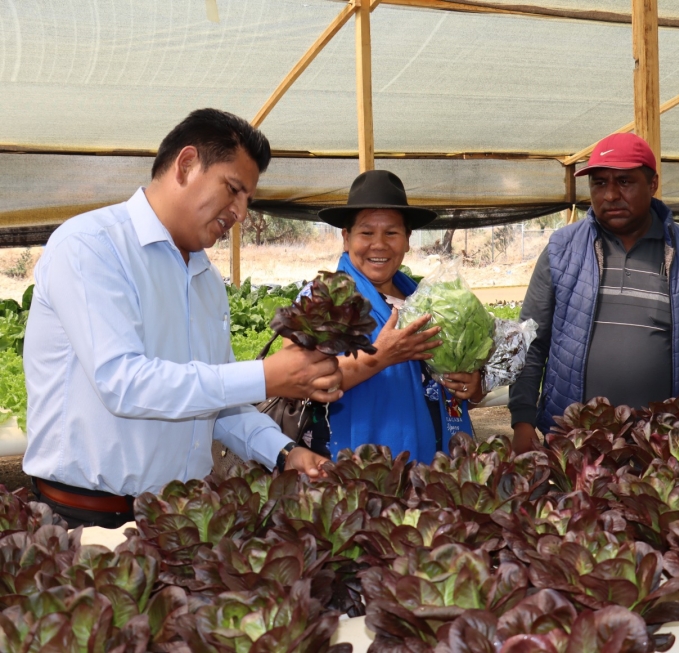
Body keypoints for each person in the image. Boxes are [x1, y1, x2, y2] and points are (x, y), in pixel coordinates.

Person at [22, 109, 343, 528]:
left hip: (177, 519)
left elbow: (217, 399)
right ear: (187, 164)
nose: (241, 213)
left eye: (248, 199)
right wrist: (266, 376)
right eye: (233, 190)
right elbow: (124, 383)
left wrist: (283, 452)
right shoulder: (91, 247)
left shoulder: (206, 279)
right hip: (85, 517)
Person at [508, 133, 679, 453]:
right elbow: (530, 342)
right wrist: (523, 420)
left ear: (653, 184)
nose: (610, 194)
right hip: (576, 441)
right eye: (599, 183)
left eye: (624, 181)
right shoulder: (561, 250)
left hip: (670, 444)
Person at [296, 170, 484, 466]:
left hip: (432, 468)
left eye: (392, 233)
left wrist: (471, 387)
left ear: (408, 240)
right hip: (361, 470)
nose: (379, 244)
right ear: (346, 238)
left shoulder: (425, 297)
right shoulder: (323, 299)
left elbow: (445, 387)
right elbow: (299, 379)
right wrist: (379, 357)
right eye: (366, 232)